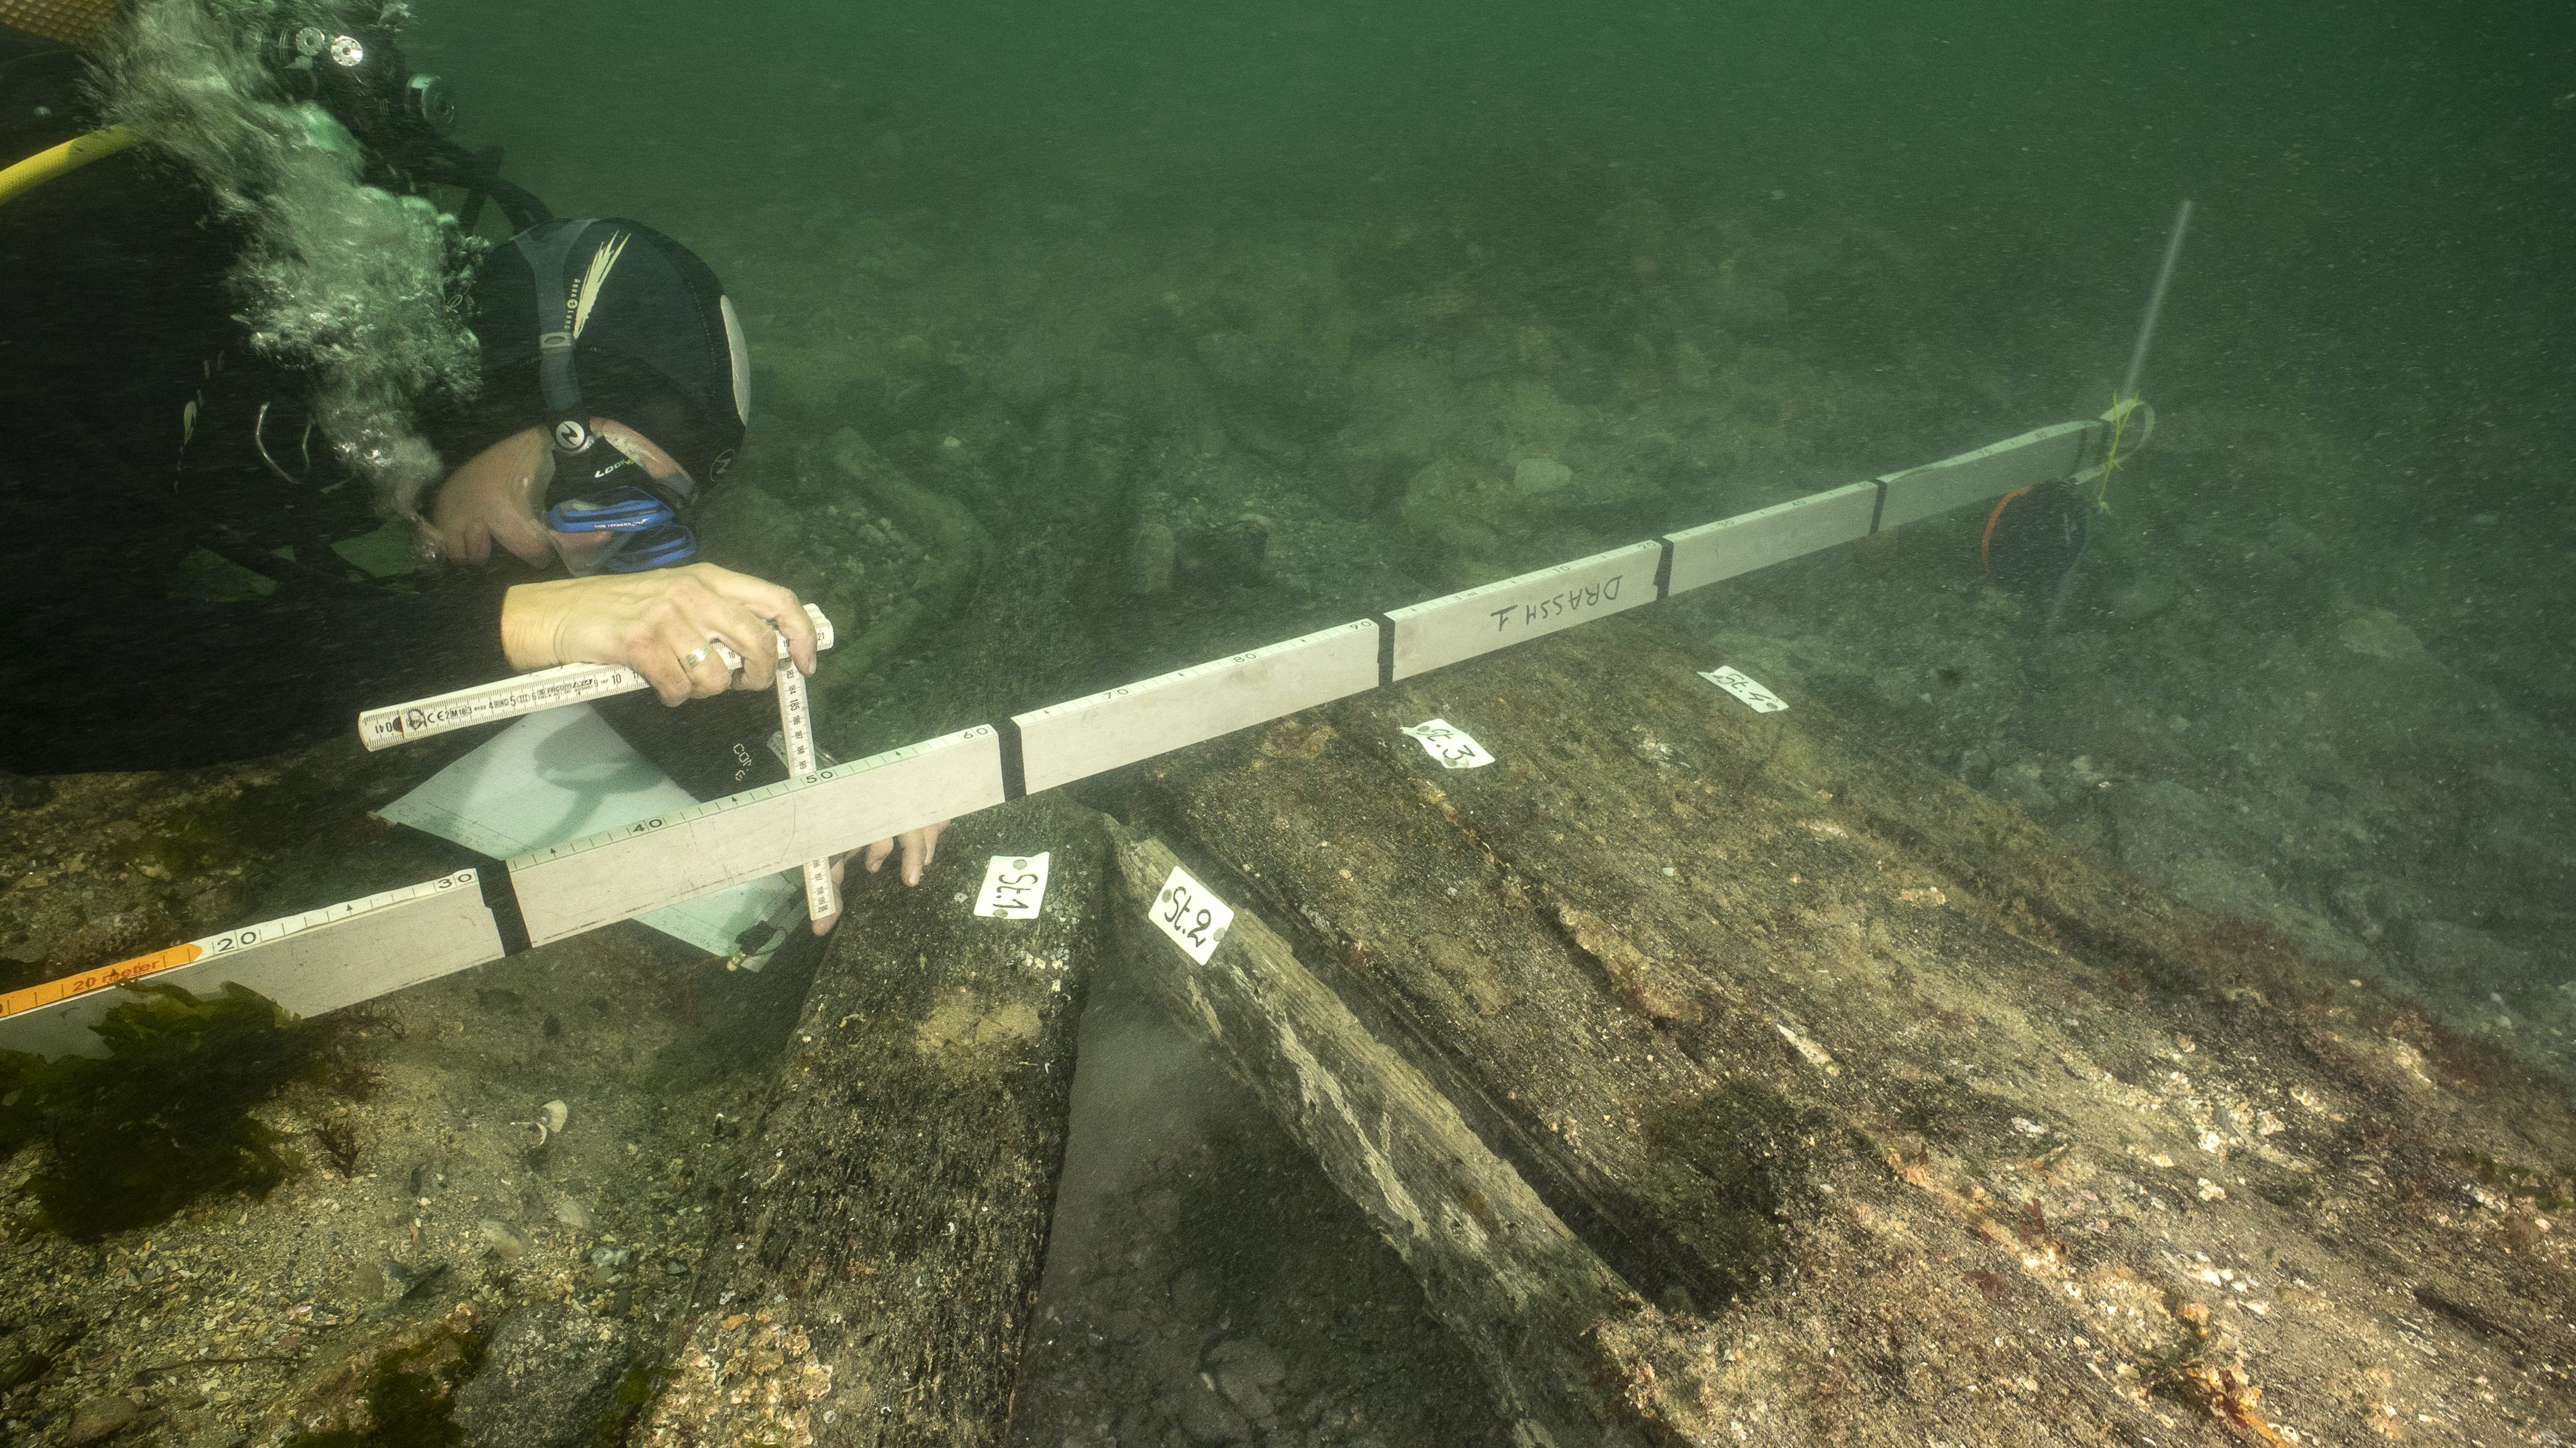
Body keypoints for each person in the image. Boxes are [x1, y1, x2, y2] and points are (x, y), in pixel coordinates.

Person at [0, 5, 941, 913]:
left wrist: (799, 762)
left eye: (624, 518)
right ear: (501, 394)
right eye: (576, 488)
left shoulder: (388, 364)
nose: (560, 552)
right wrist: (502, 631)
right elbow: (38, 675)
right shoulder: (104, 290)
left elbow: (571, 612)